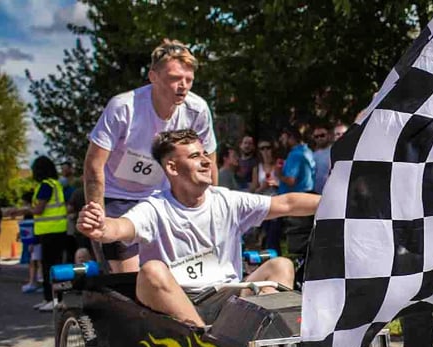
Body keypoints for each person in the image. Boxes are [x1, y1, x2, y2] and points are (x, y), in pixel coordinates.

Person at [76, 129, 320, 328]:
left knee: (281, 265)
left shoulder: (227, 200)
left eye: (205, 154)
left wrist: (339, 201)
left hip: (230, 298)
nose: (206, 161)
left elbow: (286, 203)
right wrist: (101, 228)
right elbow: (120, 228)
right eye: (195, 157)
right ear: (172, 168)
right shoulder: (154, 207)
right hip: (177, 303)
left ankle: (265, 332)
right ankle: (203, 342)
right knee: (150, 271)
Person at [84, 39, 217, 273]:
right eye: (175, 78)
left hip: (164, 198)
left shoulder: (197, 109)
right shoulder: (124, 107)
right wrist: (98, 215)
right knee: (130, 277)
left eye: (188, 80)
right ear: (153, 77)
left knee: (187, 271)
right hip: (119, 197)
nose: (183, 86)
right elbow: (94, 165)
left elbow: (209, 163)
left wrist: (213, 213)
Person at [4, 157, 74, 312]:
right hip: (56, 230)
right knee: (50, 266)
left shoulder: (45, 186)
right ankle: (49, 298)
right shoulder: (55, 184)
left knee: (50, 267)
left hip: (51, 231)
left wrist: (19, 210)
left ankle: (54, 300)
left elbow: (38, 210)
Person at [276, 126, 316, 258]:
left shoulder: (295, 154)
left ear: (291, 137)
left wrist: (278, 174)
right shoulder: (308, 151)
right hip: (308, 196)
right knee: (304, 236)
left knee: (295, 239)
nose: (281, 140)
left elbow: (291, 180)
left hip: (296, 199)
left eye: (283, 137)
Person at [251, 140, 283, 252]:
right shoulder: (257, 168)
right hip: (263, 204)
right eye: (262, 148)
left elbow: (286, 184)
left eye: (268, 147)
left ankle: (275, 257)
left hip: (278, 203)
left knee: (273, 235)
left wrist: (276, 184)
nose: (265, 151)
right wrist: (263, 187)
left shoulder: (279, 165)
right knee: (264, 234)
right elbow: (254, 190)